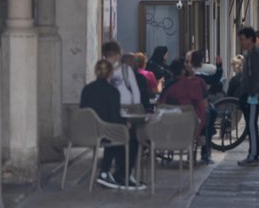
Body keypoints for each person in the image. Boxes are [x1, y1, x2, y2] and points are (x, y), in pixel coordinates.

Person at [80, 59, 145, 190]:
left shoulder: (86, 89)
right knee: (132, 138)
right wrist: (127, 124)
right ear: (110, 73)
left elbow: (83, 110)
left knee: (118, 134)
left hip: (87, 131)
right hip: (104, 132)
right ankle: (123, 174)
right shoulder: (113, 92)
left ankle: (108, 172)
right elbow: (116, 118)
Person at [237, 27, 259, 167]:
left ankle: (254, 155)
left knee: (252, 125)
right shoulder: (249, 53)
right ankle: (251, 154)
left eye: (242, 39)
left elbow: (257, 76)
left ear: (249, 39)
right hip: (250, 94)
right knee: (250, 124)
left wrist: (252, 93)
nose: (240, 42)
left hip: (255, 94)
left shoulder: (256, 54)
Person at [158, 59, 207, 140]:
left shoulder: (168, 87)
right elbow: (202, 105)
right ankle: (204, 143)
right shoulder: (195, 83)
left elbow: (160, 104)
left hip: (169, 126)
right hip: (191, 125)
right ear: (183, 71)